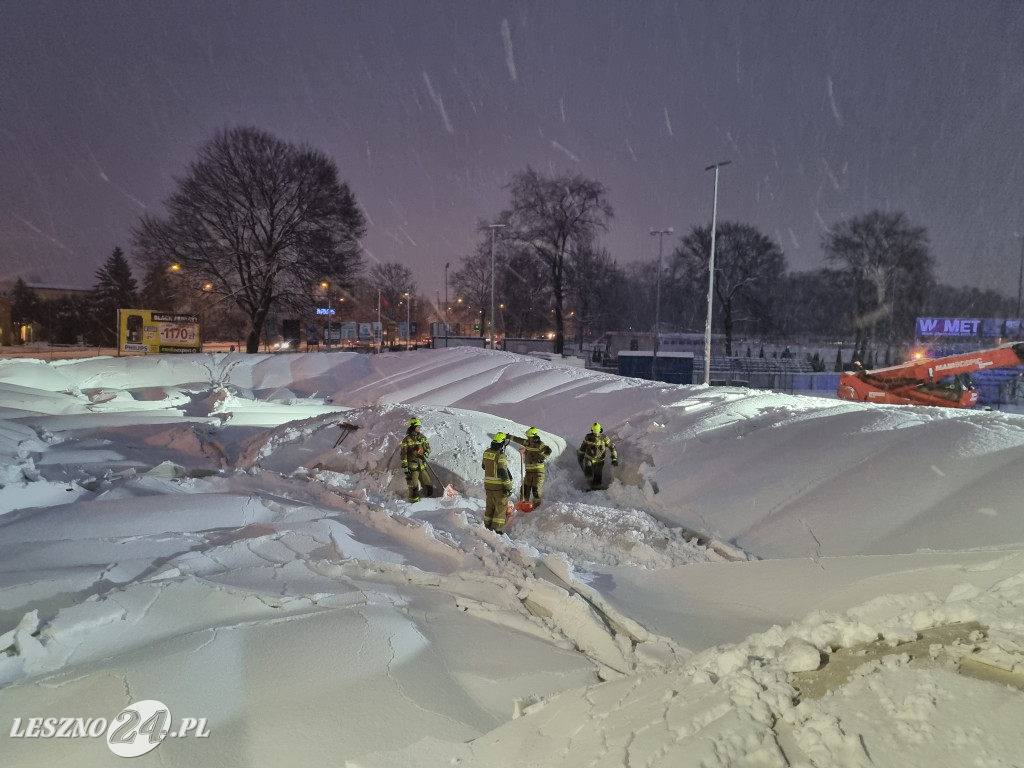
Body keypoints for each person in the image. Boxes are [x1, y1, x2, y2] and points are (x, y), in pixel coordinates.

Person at [509, 427, 552, 508]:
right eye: (528, 437)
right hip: (529, 471)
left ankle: (536, 507)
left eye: (530, 437)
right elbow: (518, 439)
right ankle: (523, 505)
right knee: (525, 488)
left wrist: (541, 458)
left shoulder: (540, 444)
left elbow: (548, 450)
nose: (528, 438)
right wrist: (508, 437)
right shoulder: (527, 442)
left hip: (538, 471)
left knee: (536, 490)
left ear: (534, 436)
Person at [481, 432, 514, 533]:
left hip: (488, 485)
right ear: (502, 443)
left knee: (490, 506)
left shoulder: (486, 452)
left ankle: (487, 525)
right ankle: (497, 529)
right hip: (499, 487)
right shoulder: (501, 455)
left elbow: (483, 466)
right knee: (501, 507)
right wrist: (508, 487)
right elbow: (502, 471)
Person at [577, 422, 617, 491]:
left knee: (598, 475)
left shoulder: (604, 438)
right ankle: (589, 486)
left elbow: (612, 448)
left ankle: (597, 488)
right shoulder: (588, 437)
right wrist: (581, 456)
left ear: (600, 430)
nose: (596, 434)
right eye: (594, 432)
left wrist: (614, 458)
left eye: (597, 432)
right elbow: (583, 447)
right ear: (592, 431)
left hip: (600, 460)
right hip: (589, 458)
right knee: (588, 471)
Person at [400, 417, 432, 502]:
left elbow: (428, 448)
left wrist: (425, 454)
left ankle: (429, 502)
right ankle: (413, 504)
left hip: (422, 467)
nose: (419, 428)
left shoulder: (422, 437)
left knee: (429, 487)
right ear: (413, 427)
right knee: (413, 488)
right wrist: (405, 467)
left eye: (419, 426)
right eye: (418, 426)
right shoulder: (406, 440)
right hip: (412, 469)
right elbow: (403, 454)